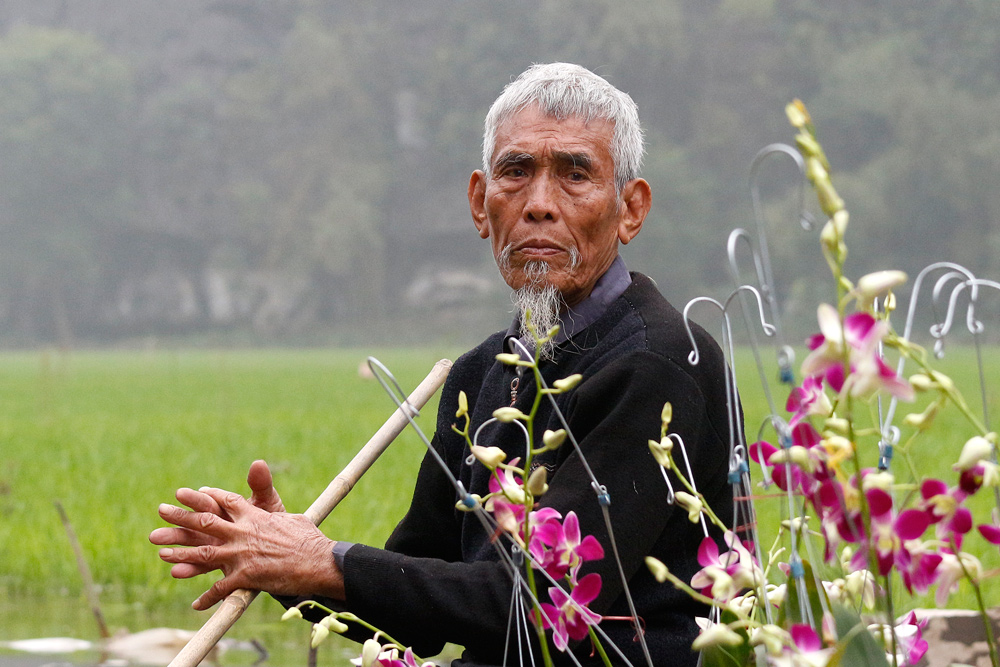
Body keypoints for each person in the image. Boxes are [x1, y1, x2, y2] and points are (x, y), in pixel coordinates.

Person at [150, 63, 736, 667]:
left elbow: (542, 603)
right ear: (481, 205)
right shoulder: (482, 372)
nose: (539, 204)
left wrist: (325, 561)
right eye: (516, 172)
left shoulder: (659, 363)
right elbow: (419, 611)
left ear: (630, 210)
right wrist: (281, 559)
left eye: (575, 175)